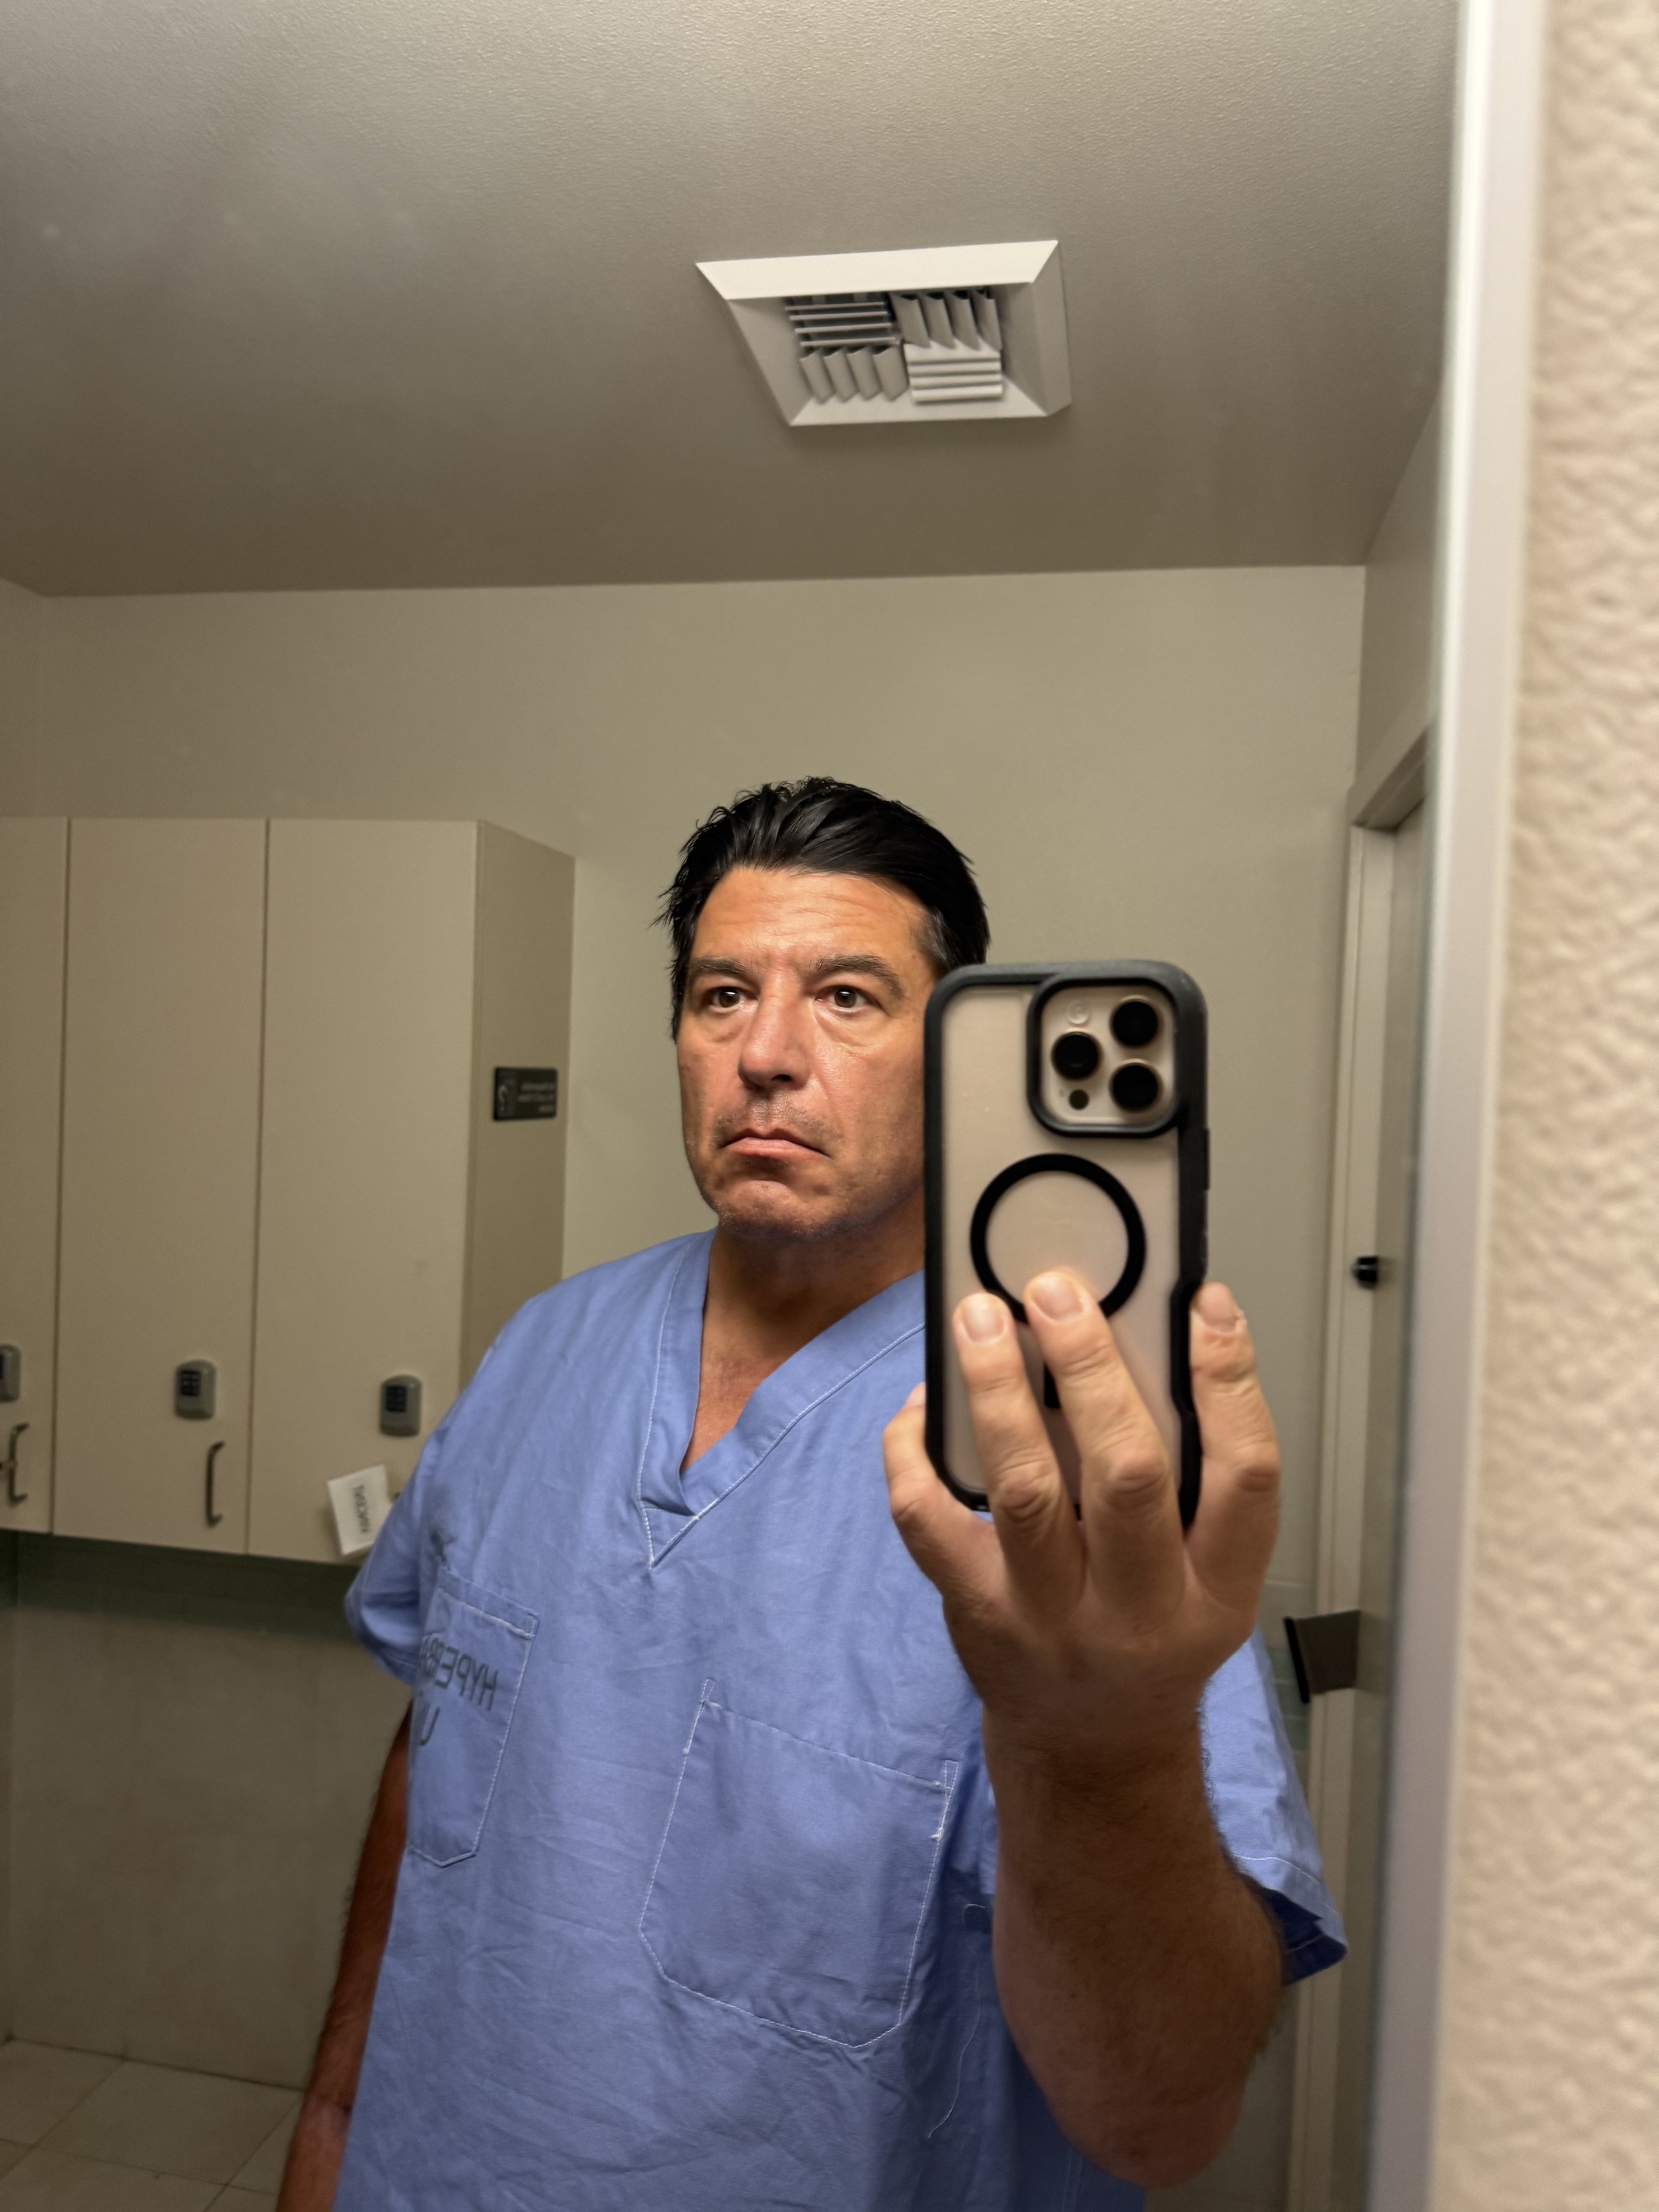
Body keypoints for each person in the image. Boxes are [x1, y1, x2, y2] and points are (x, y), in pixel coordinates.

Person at [279, 777, 1343, 2212]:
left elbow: (1160, 2118)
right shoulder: (545, 1348)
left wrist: (1098, 1748)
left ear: (957, 1062)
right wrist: (336, 2115)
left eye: (846, 996)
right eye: (722, 995)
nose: (766, 1054)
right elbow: (440, 1749)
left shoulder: (1055, 1462)